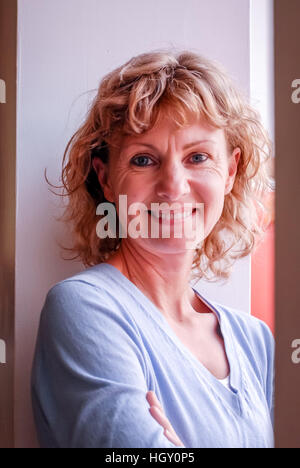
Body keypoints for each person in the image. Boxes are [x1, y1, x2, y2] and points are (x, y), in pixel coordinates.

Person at [31, 50, 275, 448]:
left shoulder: (256, 341)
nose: (174, 186)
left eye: (198, 157)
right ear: (106, 179)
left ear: (229, 172)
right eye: (144, 159)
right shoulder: (84, 309)